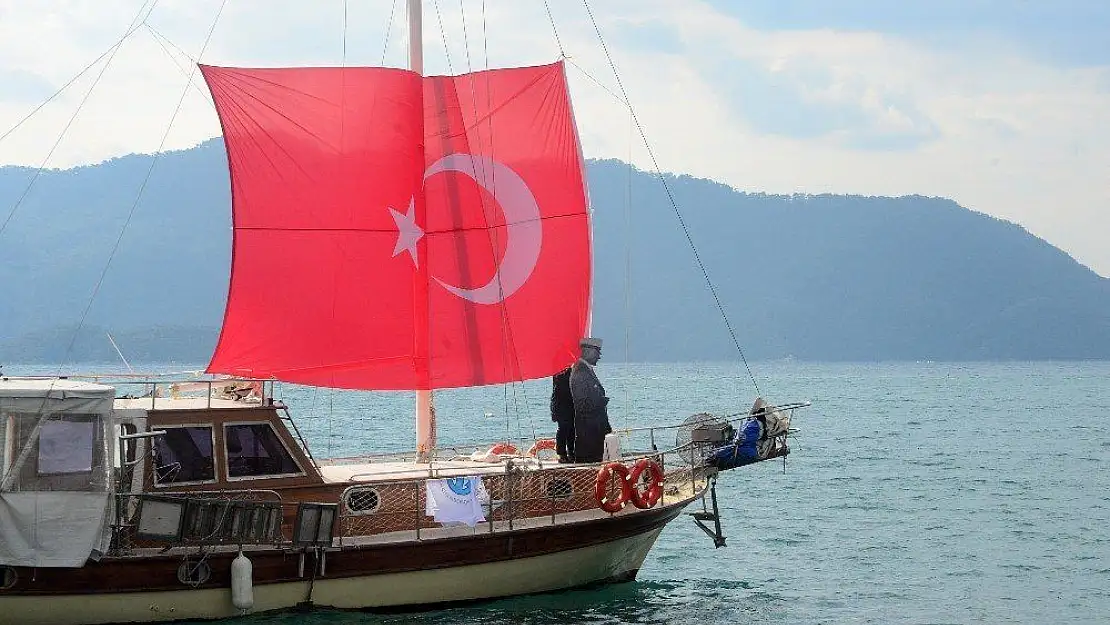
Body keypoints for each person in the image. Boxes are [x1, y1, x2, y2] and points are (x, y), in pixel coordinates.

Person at [570, 337, 612, 463]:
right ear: (587, 351)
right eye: (597, 352)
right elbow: (581, 404)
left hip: (594, 432)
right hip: (589, 435)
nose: (599, 356)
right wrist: (601, 401)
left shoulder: (586, 370)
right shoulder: (580, 372)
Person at [550, 367, 575, 462]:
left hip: (568, 406)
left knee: (570, 430)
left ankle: (570, 453)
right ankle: (563, 454)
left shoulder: (564, 372)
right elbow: (558, 392)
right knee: (564, 430)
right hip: (563, 406)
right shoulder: (560, 374)